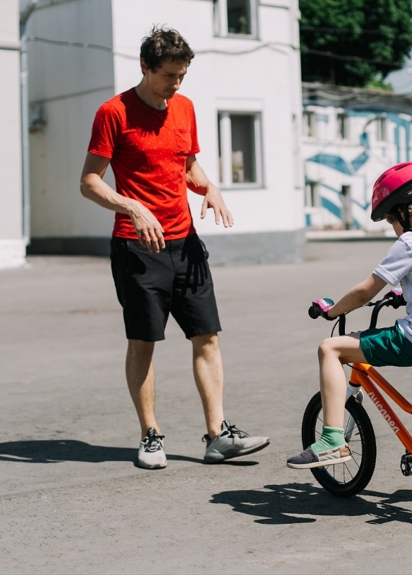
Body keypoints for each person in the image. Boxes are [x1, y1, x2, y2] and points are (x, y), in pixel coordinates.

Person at [79, 25, 269, 469]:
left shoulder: (184, 108)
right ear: (145, 67)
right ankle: (150, 435)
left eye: (182, 75)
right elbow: (89, 182)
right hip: (138, 247)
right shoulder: (114, 112)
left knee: (207, 337)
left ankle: (217, 435)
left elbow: (186, 164)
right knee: (144, 341)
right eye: (168, 75)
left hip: (186, 243)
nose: (176, 84)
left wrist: (210, 188)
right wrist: (131, 207)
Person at [287, 162, 412, 469]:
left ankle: (332, 441)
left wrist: (334, 310)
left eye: (391, 220)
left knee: (329, 349)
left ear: (405, 211)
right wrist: (407, 293)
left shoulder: (409, 243)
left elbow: (364, 292)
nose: (393, 228)